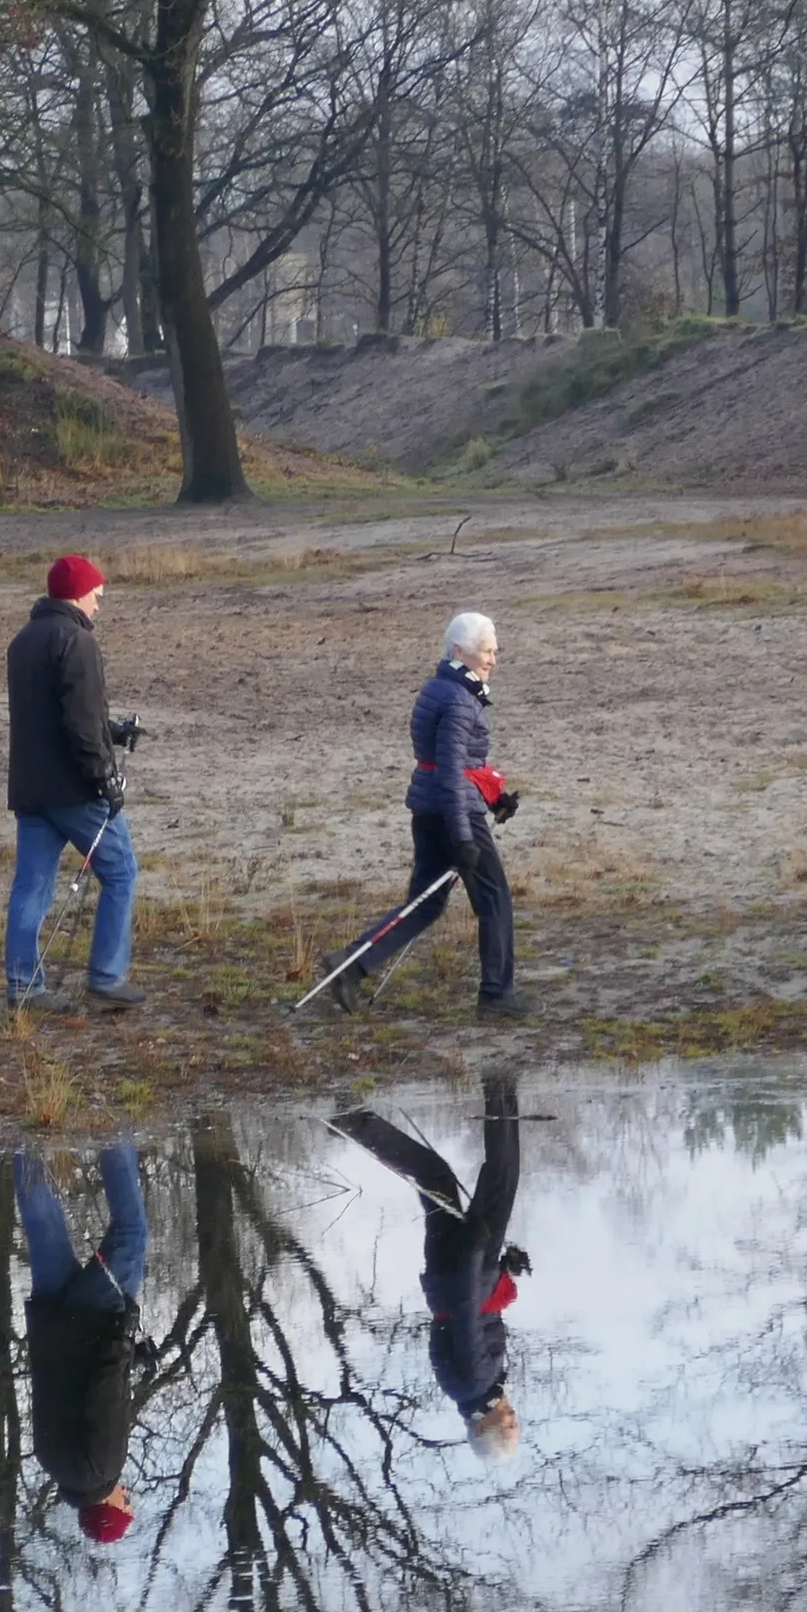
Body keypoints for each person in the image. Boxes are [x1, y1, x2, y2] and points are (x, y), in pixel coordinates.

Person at [323, 614, 526, 1020]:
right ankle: (495, 996)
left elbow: (455, 765)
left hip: (432, 809)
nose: (493, 660)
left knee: (424, 904)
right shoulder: (458, 700)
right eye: (487, 651)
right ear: (459, 652)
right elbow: (450, 771)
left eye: (495, 651)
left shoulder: (442, 689)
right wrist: (464, 836)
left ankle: (349, 966)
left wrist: (495, 798)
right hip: (453, 814)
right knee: (495, 900)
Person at [336, 1071, 528, 1459]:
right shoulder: (471, 1388)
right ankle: (357, 1124)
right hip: (448, 1273)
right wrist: (505, 1267)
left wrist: (478, 1253)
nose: (512, 1416)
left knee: (502, 1176)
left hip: (464, 1271)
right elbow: (465, 1317)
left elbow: (466, 1315)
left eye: (505, 1426)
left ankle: (500, 1085)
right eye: (514, 1424)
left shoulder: (475, 1382)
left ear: (481, 1426)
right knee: (435, 1178)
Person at [2, 554, 144, 1010]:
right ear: (80, 594)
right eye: (98, 596)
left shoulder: (23, 640)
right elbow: (81, 723)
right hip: (75, 790)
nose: (99, 605)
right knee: (121, 873)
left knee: (32, 888)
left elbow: (56, 715)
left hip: (31, 787)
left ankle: (24, 987)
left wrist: (114, 732)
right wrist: (105, 778)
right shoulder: (77, 640)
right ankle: (106, 977)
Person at [20, 1140, 149, 1543]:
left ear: (110, 1509)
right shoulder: (52, 1463)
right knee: (44, 1228)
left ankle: (113, 1130)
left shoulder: (104, 1467)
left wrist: (125, 1336)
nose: (128, 1497)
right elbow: (64, 1388)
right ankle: (17, 1144)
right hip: (53, 1321)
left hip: (93, 1317)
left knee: (132, 1232)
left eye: (126, 1506)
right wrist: (136, 1361)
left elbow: (103, 1386)